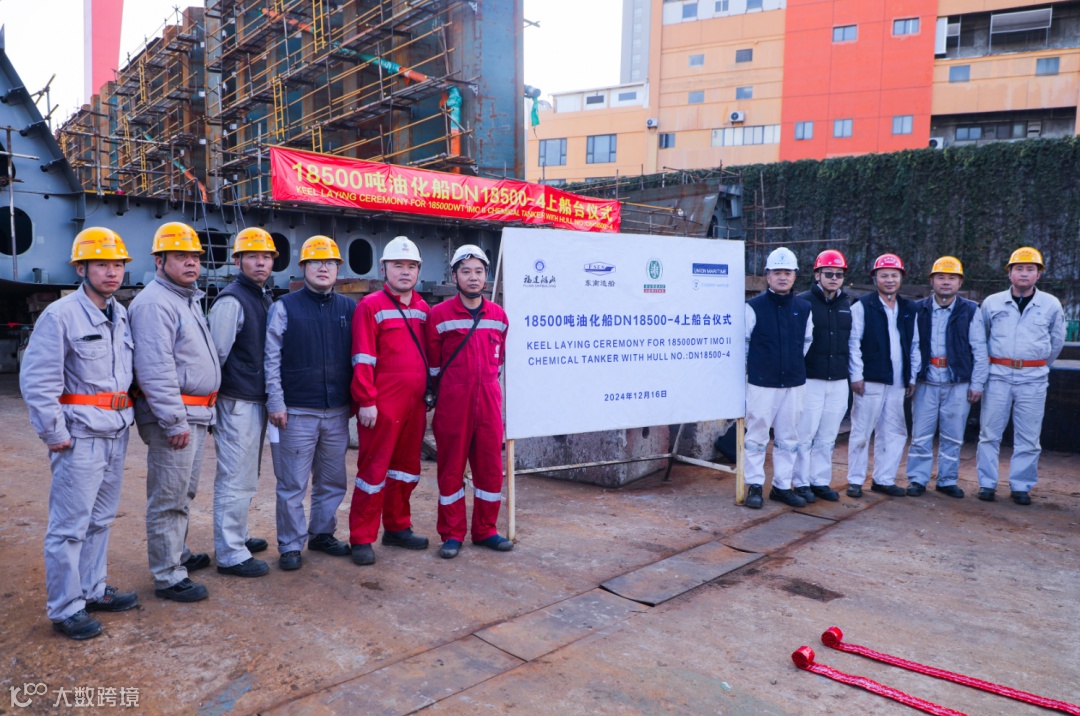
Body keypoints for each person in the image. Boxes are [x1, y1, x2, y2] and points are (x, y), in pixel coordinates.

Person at [20, 228, 139, 640]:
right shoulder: (61, 315)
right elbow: (38, 381)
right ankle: (66, 607)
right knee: (70, 526)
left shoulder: (120, 314)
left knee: (100, 520)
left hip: (115, 432)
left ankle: (92, 589)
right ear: (80, 269)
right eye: (102, 264)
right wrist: (54, 433)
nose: (112, 272)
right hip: (79, 435)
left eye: (117, 264)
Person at [129, 222, 221, 602]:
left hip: (192, 414)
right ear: (159, 261)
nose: (191, 263)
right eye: (181, 256)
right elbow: (155, 368)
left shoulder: (184, 298)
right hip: (175, 418)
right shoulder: (155, 304)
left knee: (184, 492)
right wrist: (173, 420)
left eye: (194, 256)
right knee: (169, 497)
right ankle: (168, 575)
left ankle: (177, 554)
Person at [265, 236, 356, 571]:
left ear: (337, 269)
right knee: (292, 484)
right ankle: (290, 545)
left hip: (336, 412)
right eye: (316, 262)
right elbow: (271, 358)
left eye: (329, 262)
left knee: (332, 480)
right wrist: (276, 401)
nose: (323, 268)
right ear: (303, 267)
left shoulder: (349, 309)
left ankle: (322, 533)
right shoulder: (285, 307)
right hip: (295, 412)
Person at [348, 236, 432, 565]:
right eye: (398, 265)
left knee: (407, 469)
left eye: (411, 266)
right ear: (384, 269)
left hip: (415, 403)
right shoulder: (370, 307)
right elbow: (362, 358)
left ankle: (397, 527)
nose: (405, 272)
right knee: (374, 469)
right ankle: (361, 537)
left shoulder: (423, 309)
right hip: (383, 403)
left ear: (419, 271)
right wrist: (366, 400)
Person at [427, 245, 512, 558]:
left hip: (488, 402)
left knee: (490, 469)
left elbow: (498, 362)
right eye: (466, 271)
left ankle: (486, 530)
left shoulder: (499, 316)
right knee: (451, 469)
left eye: (478, 271)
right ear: (454, 277)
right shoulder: (439, 315)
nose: (473, 277)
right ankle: (452, 534)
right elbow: (433, 366)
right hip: (453, 402)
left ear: (486, 276)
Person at [206, 228, 278, 578]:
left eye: (266, 257)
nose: (260, 262)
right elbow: (214, 357)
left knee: (247, 474)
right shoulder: (232, 300)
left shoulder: (259, 296)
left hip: (252, 398)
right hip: (237, 401)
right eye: (252, 256)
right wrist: (210, 406)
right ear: (238, 262)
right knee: (235, 476)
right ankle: (231, 553)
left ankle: (238, 536)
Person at [976, 247, 1065, 505]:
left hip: (1033, 379)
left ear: (1038, 274)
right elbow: (982, 338)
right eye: (1019, 269)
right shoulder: (992, 302)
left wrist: (1036, 365)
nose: (1024, 274)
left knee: (1028, 437)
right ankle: (987, 484)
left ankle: (1021, 486)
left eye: (1030, 269)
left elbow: (1056, 342)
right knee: (989, 434)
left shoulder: (1050, 304)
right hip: (998, 376)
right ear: (1009, 273)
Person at [905, 257, 987, 498]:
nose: (946, 282)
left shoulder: (970, 310)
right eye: (940, 277)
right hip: (926, 380)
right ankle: (917, 479)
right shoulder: (918, 309)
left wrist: (977, 383)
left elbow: (979, 349)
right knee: (920, 434)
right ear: (932, 281)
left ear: (960, 282)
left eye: (952, 278)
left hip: (957, 382)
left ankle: (947, 479)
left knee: (953, 436)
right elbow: (911, 346)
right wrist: (911, 378)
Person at [742, 247, 814, 509]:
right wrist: (758, 370)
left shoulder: (804, 308)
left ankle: (782, 486)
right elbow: (744, 345)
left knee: (788, 437)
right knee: (756, 436)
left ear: (795, 276)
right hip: (762, 383)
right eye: (777, 272)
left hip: (794, 383)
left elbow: (806, 342)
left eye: (787, 272)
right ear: (767, 276)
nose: (782, 277)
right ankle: (754, 485)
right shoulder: (753, 307)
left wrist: (790, 364)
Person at [846, 253, 920, 498]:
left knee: (894, 431)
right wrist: (856, 375)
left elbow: (915, 344)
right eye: (884, 275)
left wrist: (911, 376)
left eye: (894, 275)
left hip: (898, 381)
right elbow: (853, 342)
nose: (889, 280)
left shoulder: (909, 308)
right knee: (861, 431)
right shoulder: (862, 306)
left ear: (901, 278)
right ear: (875, 278)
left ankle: (884, 479)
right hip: (870, 379)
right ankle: (855, 480)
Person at [793, 249, 850, 503]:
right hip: (811, 379)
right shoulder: (803, 303)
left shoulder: (848, 304)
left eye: (839, 274)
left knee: (827, 435)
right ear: (817, 275)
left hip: (838, 380)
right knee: (804, 434)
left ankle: (820, 481)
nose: (834, 278)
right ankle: (800, 482)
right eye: (829, 273)